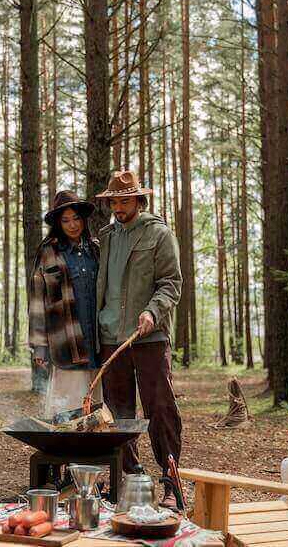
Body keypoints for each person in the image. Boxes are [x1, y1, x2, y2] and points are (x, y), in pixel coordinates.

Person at [95, 170, 183, 508]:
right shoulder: (105, 237)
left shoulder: (159, 234)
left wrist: (152, 312)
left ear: (138, 201)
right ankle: (131, 480)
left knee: (160, 408)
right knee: (118, 413)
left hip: (148, 336)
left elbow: (172, 283)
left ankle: (170, 481)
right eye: (114, 201)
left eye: (124, 200)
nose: (118, 207)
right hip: (110, 336)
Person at [29, 191, 103, 418]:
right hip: (66, 340)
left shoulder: (96, 249)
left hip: (99, 341)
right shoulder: (48, 252)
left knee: (97, 411)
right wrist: (39, 345)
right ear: (58, 224)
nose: (72, 225)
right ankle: (65, 451)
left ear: (84, 219)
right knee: (67, 411)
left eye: (76, 218)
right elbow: (37, 301)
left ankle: (95, 452)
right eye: (65, 220)